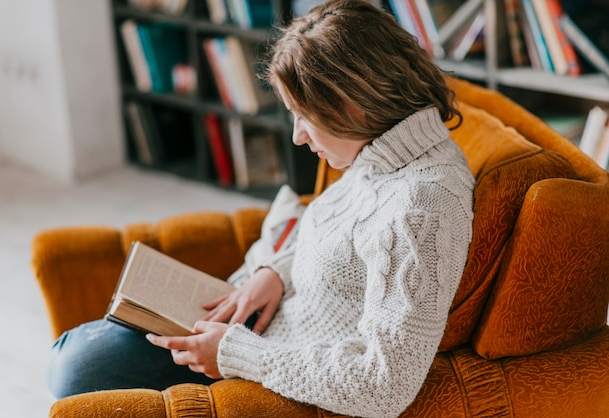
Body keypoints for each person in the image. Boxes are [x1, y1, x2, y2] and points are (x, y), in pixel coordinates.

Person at [46, 1, 475, 417]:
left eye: (304, 116)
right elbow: (341, 242)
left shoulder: (422, 207)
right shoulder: (381, 153)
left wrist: (235, 354)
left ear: (351, 103)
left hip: (266, 365)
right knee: (77, 350)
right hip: (258, 324)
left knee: (72, 365)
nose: (298, 137)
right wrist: (274, 271)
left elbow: (383, 385)